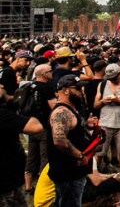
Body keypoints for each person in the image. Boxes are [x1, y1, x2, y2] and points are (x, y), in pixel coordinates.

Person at [48, 75, 93, 207]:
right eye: (77, 89)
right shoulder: (61, 112)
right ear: (65, 90)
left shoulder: (71, 109)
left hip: (74, 172)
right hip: (68, 172)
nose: (81, 91)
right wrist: (80, 156)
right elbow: (59, 140)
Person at [0, 82, 44, 206]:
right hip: (5, 184)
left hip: (9, 180)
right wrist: (29, 107)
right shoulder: (2, 116)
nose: (2, 86)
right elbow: (35, 126)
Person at [94, 63, 120, 177]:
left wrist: (119, 101)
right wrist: (103, 101)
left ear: (119, 74)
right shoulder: (102, 85)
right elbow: (95, 104)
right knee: (100, 152)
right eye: (109, 78)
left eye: (114, 78)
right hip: (104, 123)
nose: (112, 80)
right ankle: (95, 177)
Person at [25, 63, 57, 194]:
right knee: (45, 158)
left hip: (32, 126)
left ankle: (28, 187)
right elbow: (54, 107)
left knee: (31, 157)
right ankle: (42, 188)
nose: (51, 73)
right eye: (49, 71)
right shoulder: (46, 88)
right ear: (44, 74)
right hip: (44, 127)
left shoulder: (30, 86)